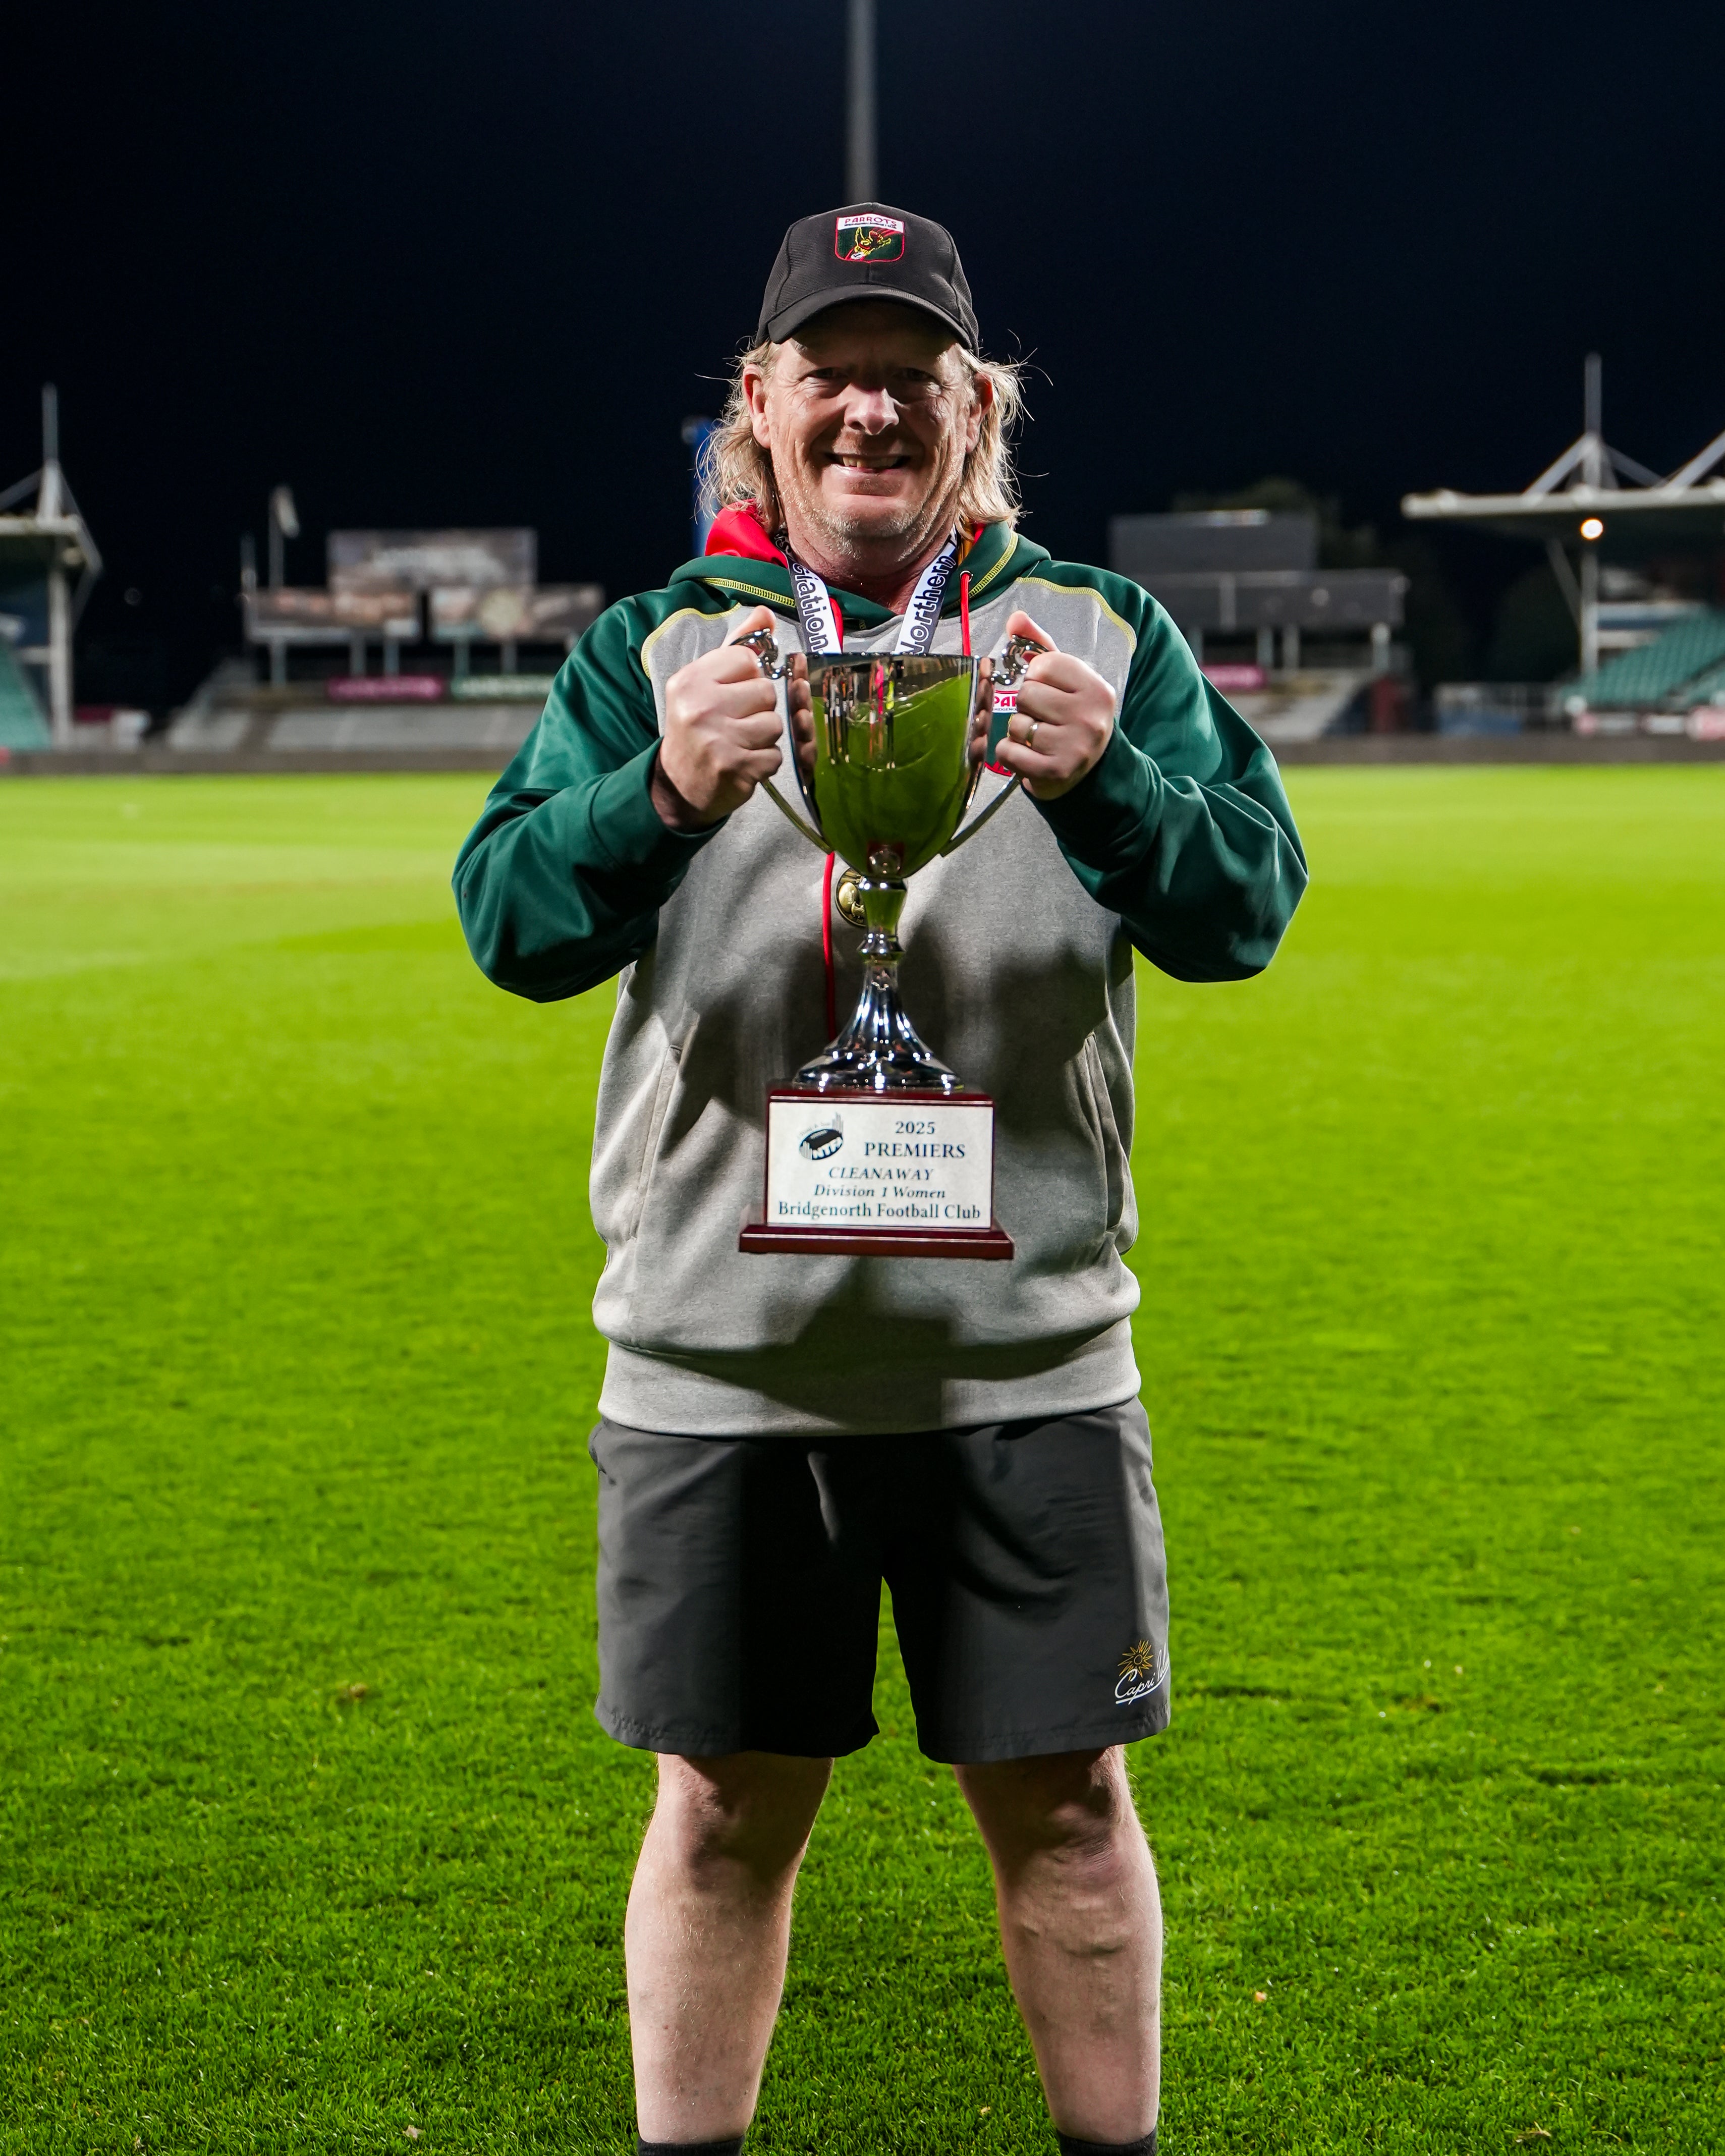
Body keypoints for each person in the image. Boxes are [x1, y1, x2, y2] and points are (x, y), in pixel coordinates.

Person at [454, 202, 1307, 2156]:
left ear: (977, 406)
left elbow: (1248, 910)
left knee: (1074, 1808)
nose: (869, 410)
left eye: (911, 374)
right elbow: (509, 921)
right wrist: (653, 791)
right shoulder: (649, 648)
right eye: (827, 372)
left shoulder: (1104, 636)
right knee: (724, 1809)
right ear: (758, 405)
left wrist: (1119, 785)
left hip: (1022, 1349)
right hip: (722, 1351)